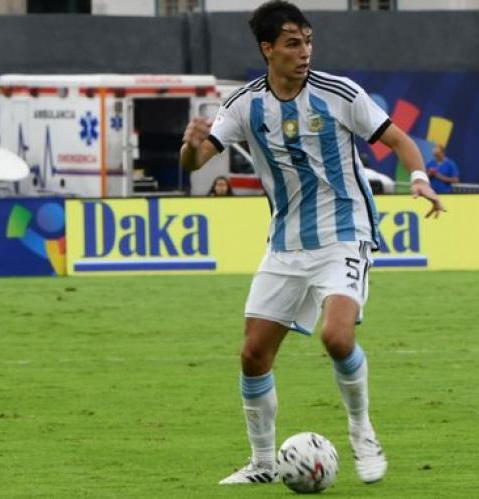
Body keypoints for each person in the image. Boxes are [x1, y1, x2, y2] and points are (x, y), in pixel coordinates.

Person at [178, 0, 445, 485]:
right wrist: (189, 146)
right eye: (293, 44)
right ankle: (262, 464)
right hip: (285, 243)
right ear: (267, 49)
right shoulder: (243, 105)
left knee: (337, 337)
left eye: (308, 42)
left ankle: (363, 431)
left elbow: (402, 142)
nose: (305, 53)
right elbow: (196, 164)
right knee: (252, 355)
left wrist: (421, 177)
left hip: (345, 233)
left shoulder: (338, 92)